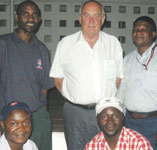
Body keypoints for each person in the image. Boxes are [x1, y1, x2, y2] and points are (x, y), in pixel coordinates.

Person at [50, 0, 123, 149]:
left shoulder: (113, 43)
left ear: (103, 19)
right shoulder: (66, 44)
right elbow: (58, 78)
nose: (91, 21)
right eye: (87, 15)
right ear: (80, 18)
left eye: (96, 16)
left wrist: (104, 101)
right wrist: (75, 97)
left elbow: (118, 78)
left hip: (106, 112)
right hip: (75, 114)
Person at [0, 1, 53, 150]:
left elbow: (44, 88)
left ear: (39, 20)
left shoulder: (42, 49)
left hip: (37, 117)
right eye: (26, 14)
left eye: (35, 14)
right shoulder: (3, 44)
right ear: (17, 17)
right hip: (10, 119)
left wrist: (43, 118)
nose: (31, 18)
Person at [116, 16, 157, 149]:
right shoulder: (127, 60)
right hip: (129, 122)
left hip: (153, 123)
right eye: (135, 29)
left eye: (144, 29)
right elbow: (120, 95)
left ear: (153, 34)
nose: (138, 32)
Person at [85, 97, 153, 150]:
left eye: (116, 116)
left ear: (123, 117)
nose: (110, 121)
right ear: (97, 120)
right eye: (104, 117)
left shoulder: (139, 143)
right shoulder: (91, 146)